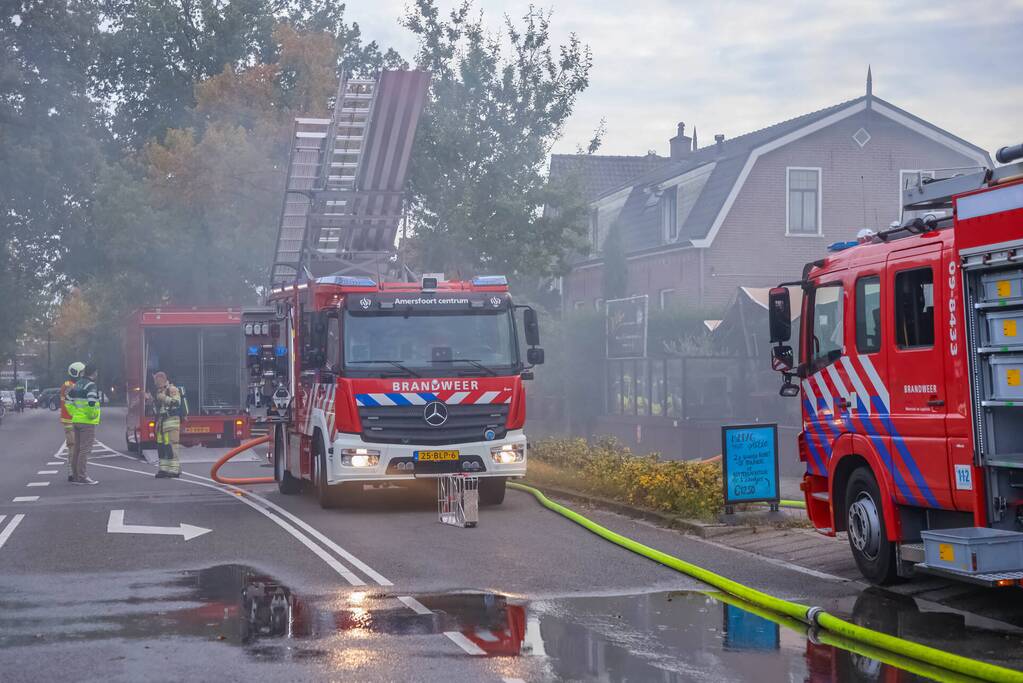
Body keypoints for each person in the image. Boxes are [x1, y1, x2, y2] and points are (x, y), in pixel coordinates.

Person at [68, 363, 101, 485]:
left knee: (77, 449)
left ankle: (76, 476)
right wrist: (92, 414)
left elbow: (67, 400)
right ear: (94, 372)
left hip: (76, 420)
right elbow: (91, 402)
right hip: (87, 422)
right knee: (85, 449)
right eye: (96, 372)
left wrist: (74, 412)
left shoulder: (77, 384)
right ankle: (82, 476)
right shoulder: (91, 385)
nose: (97, 374)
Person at [151, 371, 182, 478]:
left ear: (161, 379)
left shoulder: (172, 389)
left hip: (171, 424)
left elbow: (177, 403)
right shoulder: (159, 391)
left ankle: (174, 470)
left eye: (156, 381)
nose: (155, 383)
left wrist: (163, 398)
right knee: (162, 448)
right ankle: (163, 469)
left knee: (172, 447)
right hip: (162, 425)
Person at [61, 362, 85, 481]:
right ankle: (72, 473)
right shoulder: (69, 385)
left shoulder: (70, 384)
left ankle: (73, 472)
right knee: (73, 446)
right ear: (76, 373)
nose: (83, 375)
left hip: (73, 419)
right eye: (82, 373)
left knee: (75, 447)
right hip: (70, 420)